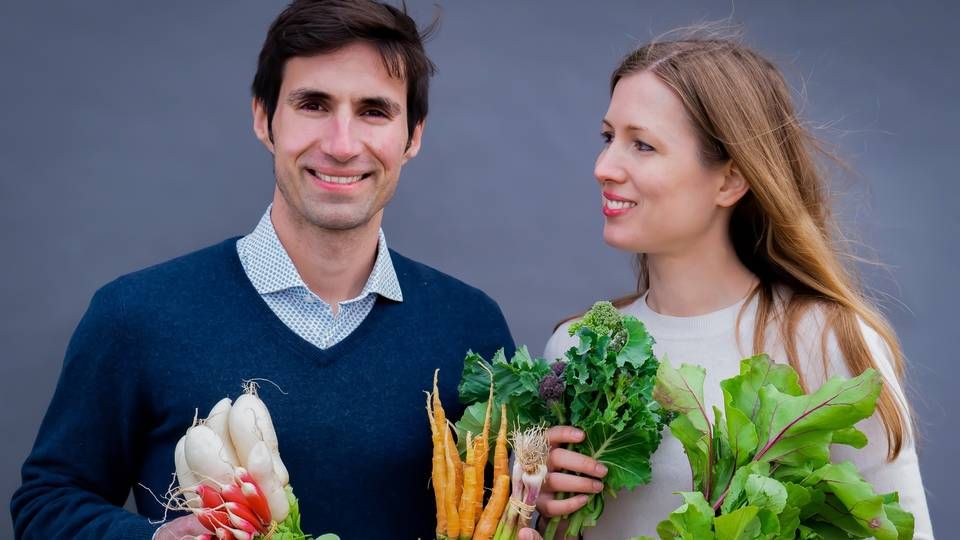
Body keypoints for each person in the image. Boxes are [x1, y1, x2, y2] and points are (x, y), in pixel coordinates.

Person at [11, 1, 515, 538]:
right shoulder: (135, 317)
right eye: (313, 104)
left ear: (412, 135)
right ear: (263, 117)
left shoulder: (472, 330)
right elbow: (47, 503)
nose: (342, 146)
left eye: (374, 111)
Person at [525, 37, 934, 539]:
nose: (604, 167)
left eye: (642, 144)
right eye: (608, 136)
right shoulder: (574, 347)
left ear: (729, 181)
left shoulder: (827, 340)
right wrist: (533, 504)